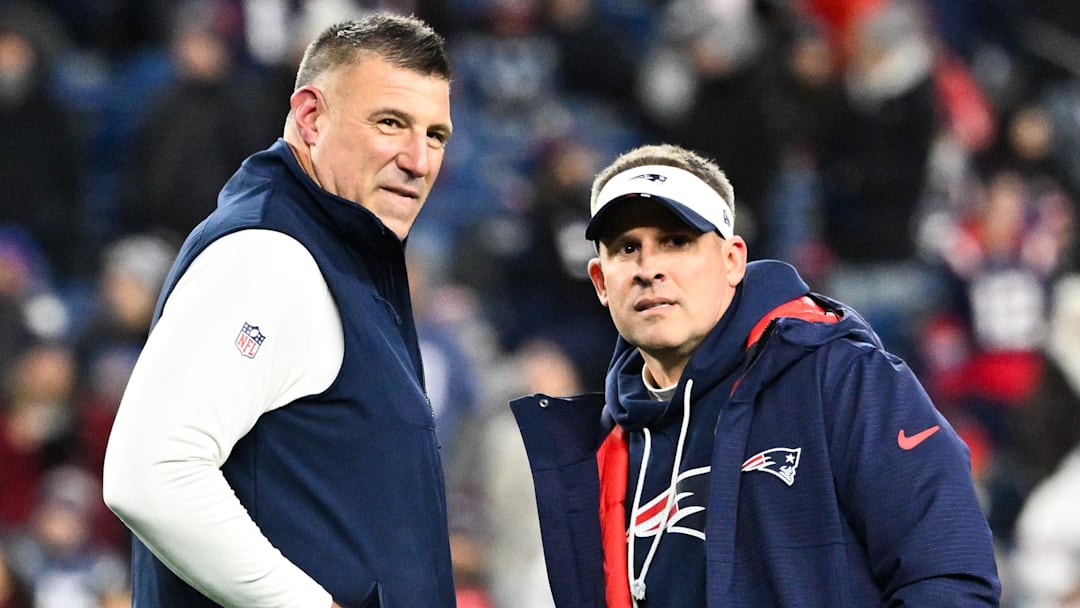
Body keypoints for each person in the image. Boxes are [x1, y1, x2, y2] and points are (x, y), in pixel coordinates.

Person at [510, 143, 1001, 606]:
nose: (649, 268)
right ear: (600, 281)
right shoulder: (599, 448)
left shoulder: (841, 378)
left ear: (732, 261)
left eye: (676, 241)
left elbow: (949, 575)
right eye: (625, 248)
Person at [102, 13, 456, 607]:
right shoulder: (270, 256)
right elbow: (151, 474)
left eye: (436, 135)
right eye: (391, 123)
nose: (419, 160)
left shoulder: (338, 255)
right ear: (311, 116)